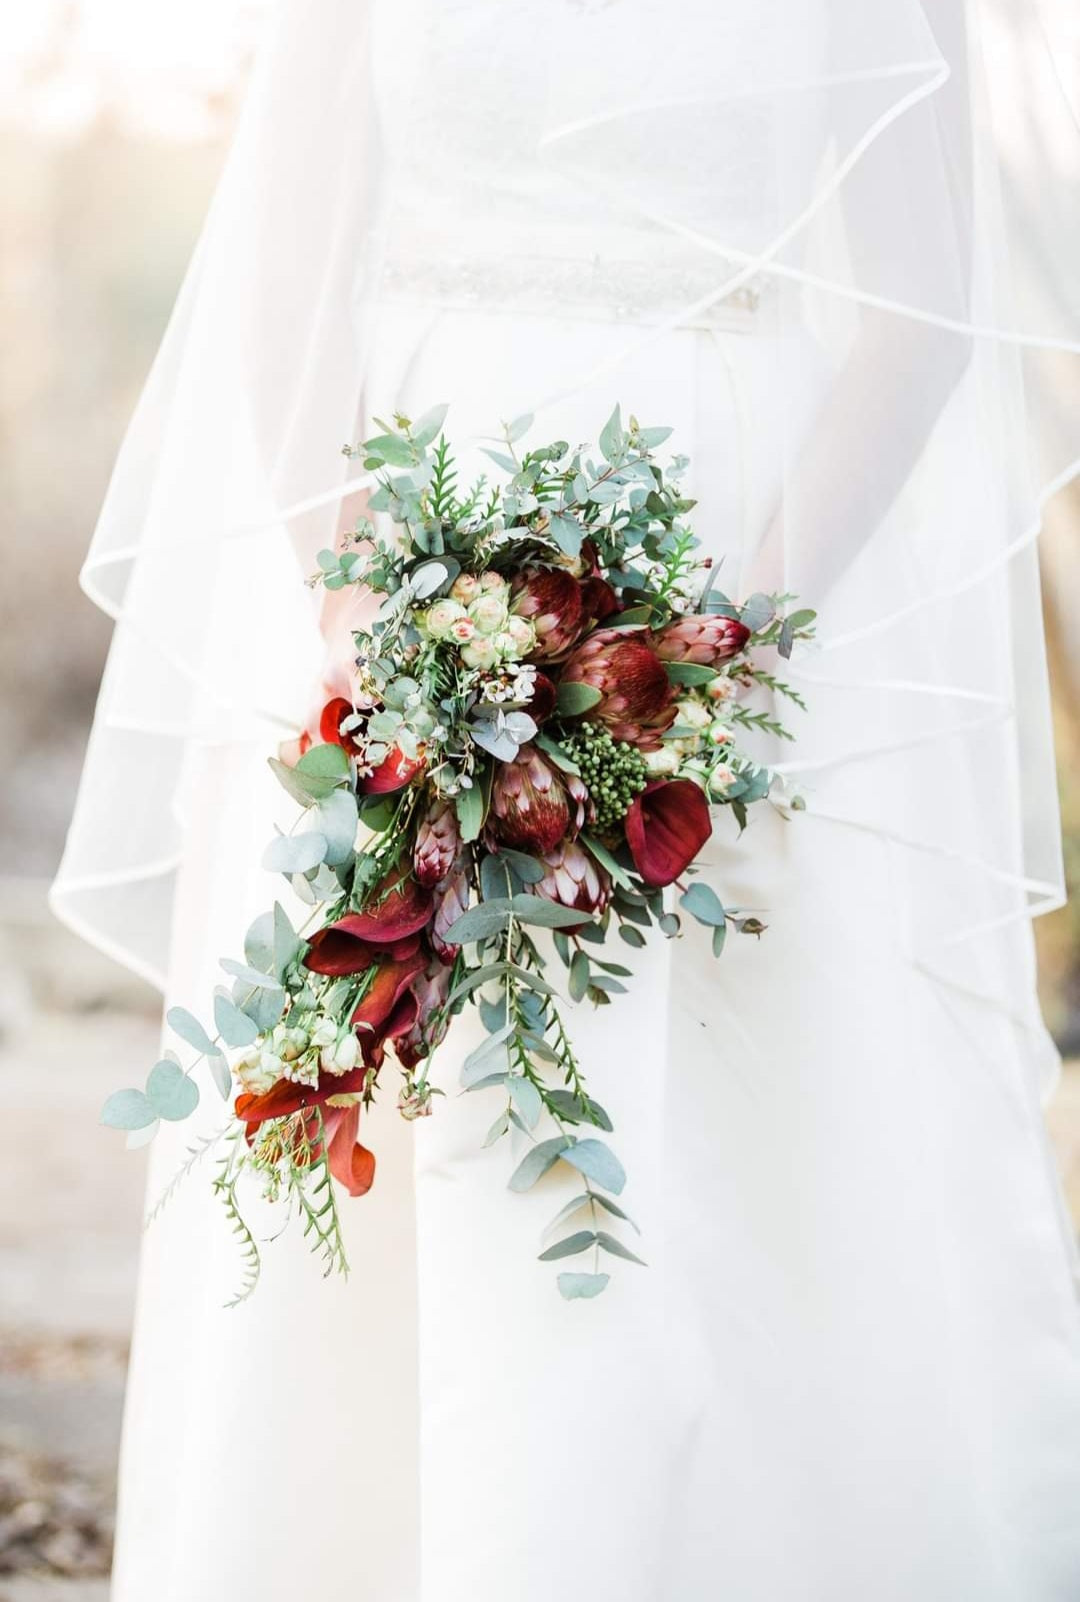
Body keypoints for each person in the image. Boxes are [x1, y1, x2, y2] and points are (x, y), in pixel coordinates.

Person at [53, 2, 1080, 1597]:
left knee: (761, 1108)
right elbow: (287, 255)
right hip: (408, 538)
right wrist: (365, 627)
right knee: (402, 1077)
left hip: (746, 540)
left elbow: (922, 309)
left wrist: (717, 650)